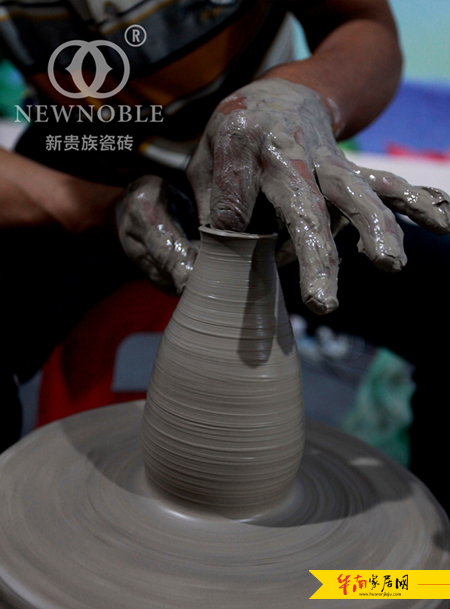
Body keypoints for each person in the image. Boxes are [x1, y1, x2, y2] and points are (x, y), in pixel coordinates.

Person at [0, 1, 449, 512]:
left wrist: (306, 97)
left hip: (268, 148)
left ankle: (430, 549)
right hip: (81, 163)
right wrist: (92, 209)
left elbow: (359, 22)